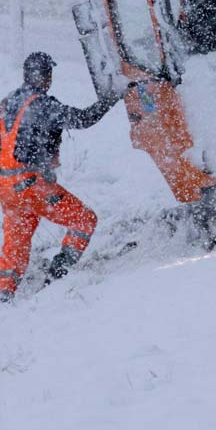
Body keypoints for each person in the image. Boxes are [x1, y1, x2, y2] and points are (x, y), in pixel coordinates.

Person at [0, 52, 124, 302]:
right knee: (84, 220)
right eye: (49, 75)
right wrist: (113, 96)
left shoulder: (7, 103)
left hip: (6, 188)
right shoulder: (43, 106)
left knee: (16, 242)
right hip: (31, 186)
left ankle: (4, 293)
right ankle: (59, 274)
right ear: (45, 77)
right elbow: (83, 119)